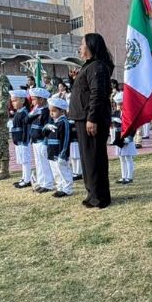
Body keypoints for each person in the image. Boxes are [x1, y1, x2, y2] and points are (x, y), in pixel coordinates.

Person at [68, 34, 113, 209]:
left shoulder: (97, 67)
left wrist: (92, 118)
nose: (80, 47)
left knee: (94, 158)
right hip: (83, 118)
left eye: (82, 44)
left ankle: (100, 197)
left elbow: (97, 94)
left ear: (91, 47)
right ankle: (92, 194)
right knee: (88, 158)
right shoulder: (89, 66)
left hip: (91, 119)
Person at [28, 87, 56, 194]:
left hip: (41, 140)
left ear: (42, 100)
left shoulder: (46, 112)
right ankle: (41, 182)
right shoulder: (36, 111)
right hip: (35, 141)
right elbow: (26, 120)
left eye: (34, 99)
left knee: (44, 163)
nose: (33, 102)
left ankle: (48, 184)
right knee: (38, 163)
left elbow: (47, 128)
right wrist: (33, 113)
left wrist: (45, 141)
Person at [46, 96, 74, 198]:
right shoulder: (54, 122)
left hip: (60, 152)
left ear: (61, 111)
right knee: (56, 172)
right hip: (52, 151)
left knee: (63, 171)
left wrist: (63, 153)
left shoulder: (64, 122)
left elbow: (66, 139)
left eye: (54, 111)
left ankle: (67, 189)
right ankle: (60, 187)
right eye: (50, 111)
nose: (51, 113)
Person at [111, 91, 137, 184]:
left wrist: (129, 138)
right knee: (121, 158)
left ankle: (129, 177)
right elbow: (114, 124)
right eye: (118, 104)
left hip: (127, 138)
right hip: (119, 138)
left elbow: (133, 126)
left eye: (121, 104)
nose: (120, 106)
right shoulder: (116, 113)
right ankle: (123, 176)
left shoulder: (130, 113)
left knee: (128, 158)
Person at [8, 90, 33, 187]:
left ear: (22, 101)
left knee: (25, 160)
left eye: (15, 100)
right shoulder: (17, 112)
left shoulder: (24, 113)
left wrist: (25, 140)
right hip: (18, 141)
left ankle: (27, 179)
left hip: (23, 141)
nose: (13, 103)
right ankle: (24, 177)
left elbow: (27, 128)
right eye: (12, 101)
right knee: (22, 160)